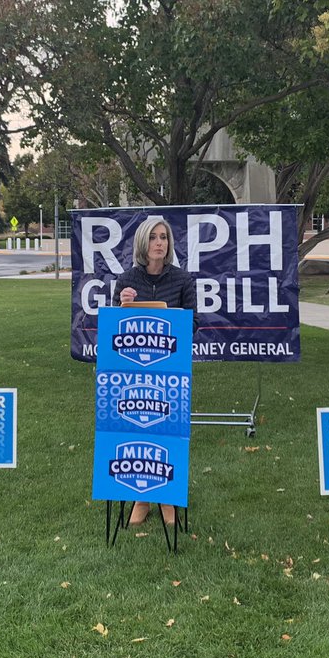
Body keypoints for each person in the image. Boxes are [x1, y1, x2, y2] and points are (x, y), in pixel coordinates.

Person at [113, 216, 196, 527]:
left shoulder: (183, 280)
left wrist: (175, 322)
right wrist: (122, 306)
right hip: (134, 374)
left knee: (169, 433)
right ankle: (142, 498)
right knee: (139, 433)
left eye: (164, 237)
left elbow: (194, 324)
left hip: (171, 373)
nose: (159, 242)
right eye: (153, 237)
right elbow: (114, 332)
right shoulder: (126, 281)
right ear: (143, 244)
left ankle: (168, 498)